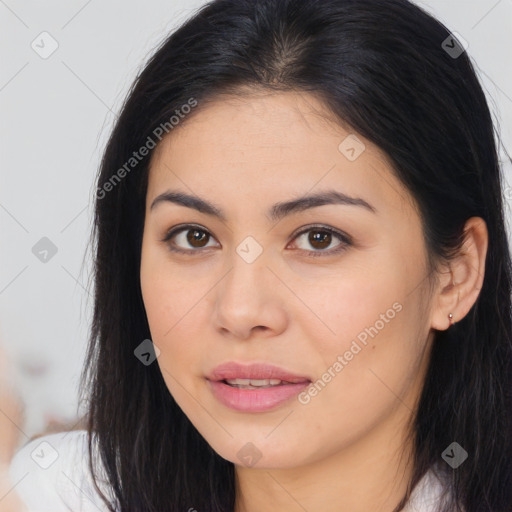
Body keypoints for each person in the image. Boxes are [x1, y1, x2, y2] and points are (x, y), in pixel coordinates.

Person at [6, 0, 512, 510]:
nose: (240, 311)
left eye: (319, 238)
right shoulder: (51, 495)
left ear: (456, 275)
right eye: (194, 237)